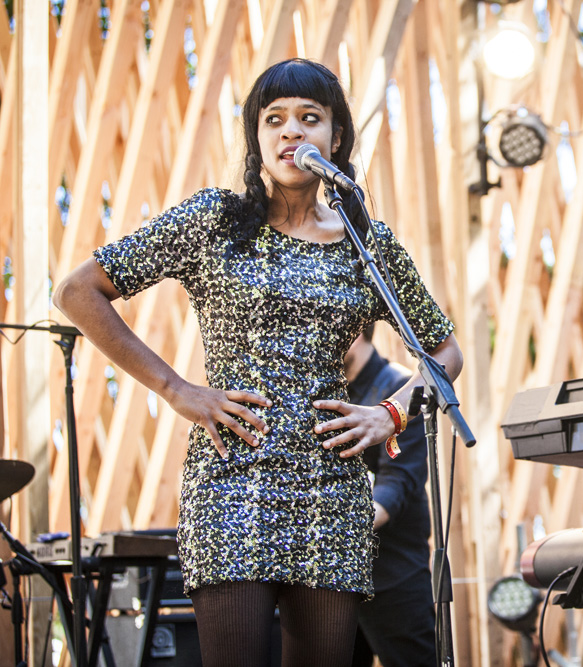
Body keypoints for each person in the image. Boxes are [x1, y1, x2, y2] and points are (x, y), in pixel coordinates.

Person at [53, 58, 462, 667]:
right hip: (233, 477)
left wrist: (391, 413)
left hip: (331, 488)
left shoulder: (368, 244)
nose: (290, 130)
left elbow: (444, 350)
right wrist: (176, 389)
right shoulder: (214, 220)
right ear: (257, 139)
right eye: (274, 119)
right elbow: (77, 292)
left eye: (309, 117)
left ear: (336, 138)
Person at [345, 326, 436, 667]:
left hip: (394, 574)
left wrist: (340, 528)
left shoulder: (399, 389)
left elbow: (395, 485)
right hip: (335, 577)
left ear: (355, 329)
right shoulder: (323, 392)